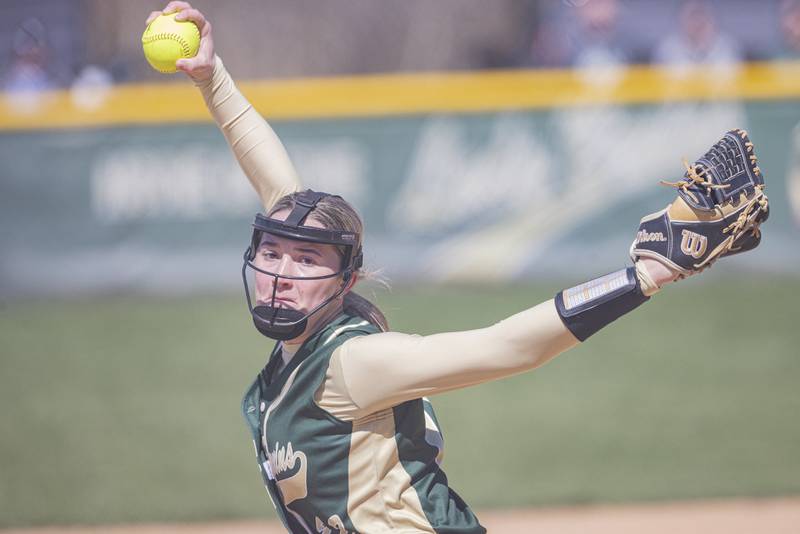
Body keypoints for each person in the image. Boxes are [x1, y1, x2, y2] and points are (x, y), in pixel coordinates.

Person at [146, 3, 762, 533]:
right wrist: (212, 80)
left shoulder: (351, 363)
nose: (282, 271)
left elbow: (506, 347)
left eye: (307, 260)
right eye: (272, 253)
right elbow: (276, 185)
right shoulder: (301, 353)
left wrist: (644, 275)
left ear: (345, 282)